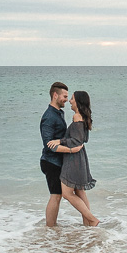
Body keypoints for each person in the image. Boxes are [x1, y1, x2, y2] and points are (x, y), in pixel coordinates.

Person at [48, 90, 99, 226]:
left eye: (72, 99)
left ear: (78, 102)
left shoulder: (77, 117)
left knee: (66, 193)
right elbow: (83, 139)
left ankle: (92, 219)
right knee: (80, 192)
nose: (70, 101)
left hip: (73, 158)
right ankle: (88, 225)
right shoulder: (84, 117)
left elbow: (76, 141)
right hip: (80, 157)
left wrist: (59, 141)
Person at [39, 81, 69, 227]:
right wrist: (71, 149)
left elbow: (58, 139)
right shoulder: (49, 116)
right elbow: (48, 144)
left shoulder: (59, 113)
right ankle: (50, 228)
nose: (66, 99)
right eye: (64, 96)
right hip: (51, 162)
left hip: (58, 161)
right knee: (56, 195)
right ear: (55, 95)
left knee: (59, 195)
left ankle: (52, 227)